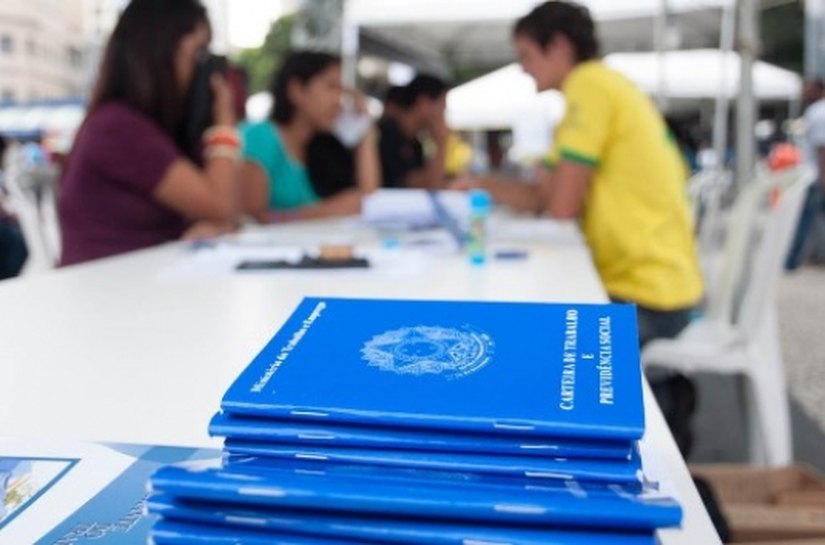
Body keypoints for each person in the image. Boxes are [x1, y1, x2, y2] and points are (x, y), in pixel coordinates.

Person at [456, 1, 703, 346]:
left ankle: (656, 393)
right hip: (658, 286)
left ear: (558, 46)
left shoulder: (589, 87)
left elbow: (559, 207)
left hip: (644, 297)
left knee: (518, 339)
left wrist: (493, 188)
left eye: (526, 56)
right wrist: (480, 184)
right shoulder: (602, 86)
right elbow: (541, 197)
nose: (523, 69)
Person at [58, 0, 238, 266]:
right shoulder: (118, 127)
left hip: (138, 284)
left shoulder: (143, 127)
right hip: (103, 293)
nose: (206, 71)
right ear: (161, 50)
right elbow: (221, 205)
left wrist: (209, 227)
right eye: (199, 53)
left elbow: (223, 212)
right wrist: (223, 123)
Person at [238, 51, 379, 223]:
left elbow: (367, 200)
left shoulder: (322, 148)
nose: (339, 100)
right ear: (296, 90)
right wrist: (324, 212)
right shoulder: (260, 136)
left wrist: (365, 129)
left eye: (343, 91)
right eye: (331, 87)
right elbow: (248, 219)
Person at [378, 74, 449, 189]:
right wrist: (442, 142)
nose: (443, 115)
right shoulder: (387, 134)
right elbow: (426, 185)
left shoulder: (415, 143)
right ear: (423, 102)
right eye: (442, 107)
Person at [786, 79, 825, 269]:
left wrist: (822, 178)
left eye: (807, 89)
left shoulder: (819, 112)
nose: (803, 93)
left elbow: (822, 148)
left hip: (814, 175)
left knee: (804, 219)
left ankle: (792, 260)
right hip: (814, 174)